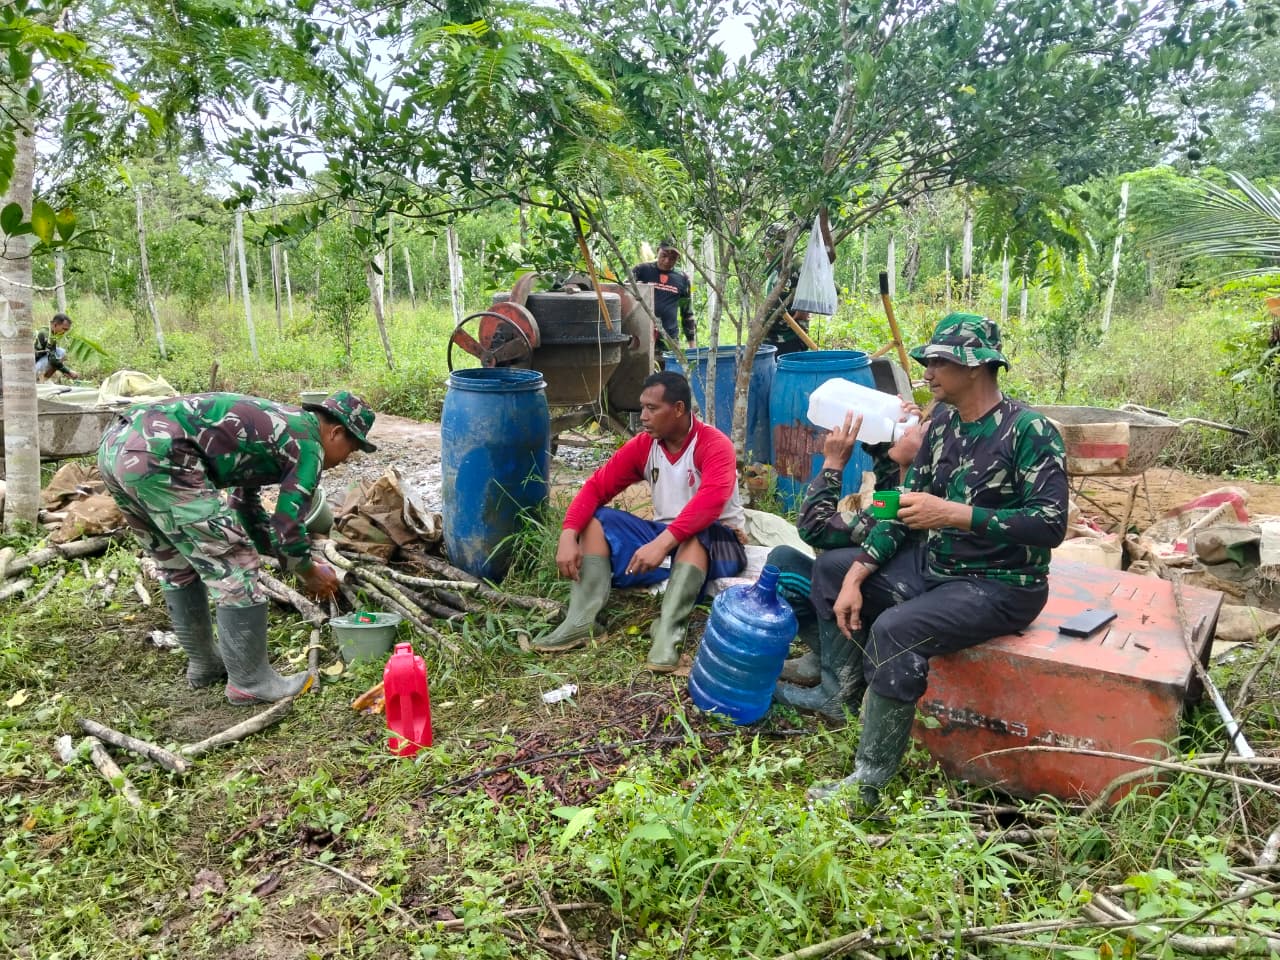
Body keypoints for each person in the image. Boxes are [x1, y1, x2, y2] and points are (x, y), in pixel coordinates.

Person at [801, 313, 1068, 808]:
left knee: (896, 630)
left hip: (1002, 584)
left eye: (939, 363)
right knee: (832, 570)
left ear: (977, 368)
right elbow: (906, 505)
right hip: (938, 567)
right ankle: (843, 694)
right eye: (927, 362)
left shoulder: (1028, 431)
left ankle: (869, 781)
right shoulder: (943, 422)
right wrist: (858, 574)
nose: (927, 373)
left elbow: (1051, 525)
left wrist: (957, 514)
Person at [98, 391, 376, 705]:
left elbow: (245, 503)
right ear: (336, 432)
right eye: (350, 450)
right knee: (236, 564)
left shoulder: (277, 422)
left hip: (118, 445)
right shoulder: (309, 445)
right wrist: (307, 571)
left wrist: (273, 551)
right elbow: (288, 525)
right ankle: (251, 682)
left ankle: (205, 665)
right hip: (159, 453)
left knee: (176, 561)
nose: (344, 461)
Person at [534, 371, 747, 670]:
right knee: (596, 520)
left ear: (679, 409)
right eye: (642, 407)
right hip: (667, 539)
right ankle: (581, 622)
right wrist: (568, 535)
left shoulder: (712, 443)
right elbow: (596, 488)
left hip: (719, 543)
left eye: (652, 408)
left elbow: (709, 503)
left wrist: (660, 544)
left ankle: (667, 633)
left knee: (697, 532)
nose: (643, 417)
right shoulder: (645, 445)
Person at [766, 401, 930, 718]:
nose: (907, 428)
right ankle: (825, 656)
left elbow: (816, 529)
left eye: (916, 429)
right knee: (782, 561)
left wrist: (833, 463)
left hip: (903, 598)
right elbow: (888, 477)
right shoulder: (904, 482)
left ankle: (836, 694)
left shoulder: (913, 498)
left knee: (832, 566)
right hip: (893, 586)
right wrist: (881, 434)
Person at [631, 239, 695, 349]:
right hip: (641, 337)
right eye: (663, 255)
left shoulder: (682, 278)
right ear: (657, 251)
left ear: (678, 259)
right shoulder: (641, 270)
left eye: (672, 258)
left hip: (669, 339)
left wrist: (692, 346)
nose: (667, 261)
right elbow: (624, 293)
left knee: (671, 366)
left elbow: (687, 313)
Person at [761, 224, 811, 357]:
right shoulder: (773, 267)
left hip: (790, 338)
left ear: (780, 246)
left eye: (769, 246)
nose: (766, 251)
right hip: (769, 337)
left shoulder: (797, 265)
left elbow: (805, 306)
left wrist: (792, 322)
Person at [34, 312, 79, 381]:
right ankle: (41, 380)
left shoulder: (50, 332)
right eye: (64, 329)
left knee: (61, 352)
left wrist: (65, 371)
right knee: (56, 357)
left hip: (39, 359)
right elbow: (52, 359)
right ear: (55, 325)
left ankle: (44, 379)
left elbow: (52, 352)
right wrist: (68, 371)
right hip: (32, 366)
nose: (65, 332)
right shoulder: (46, 335)